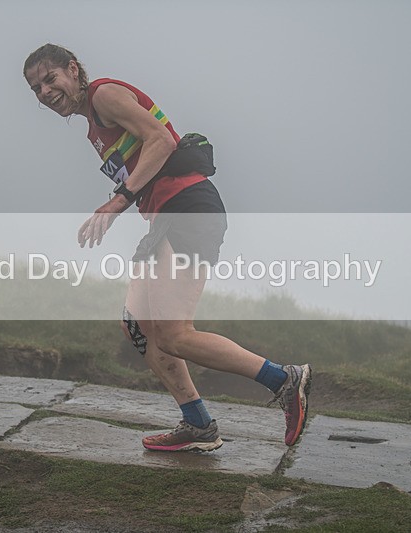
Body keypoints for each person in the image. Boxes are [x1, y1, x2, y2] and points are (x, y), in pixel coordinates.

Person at [23, 43, 311, 451]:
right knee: (138, 324)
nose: (45, 92)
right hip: (166, 217)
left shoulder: (103, 95)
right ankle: (198, 425)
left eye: (50, 79)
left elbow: (161, 140)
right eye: (36, 89)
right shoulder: (94, 123)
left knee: (175, 335)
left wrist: (117, 201)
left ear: (73, 70)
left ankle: (284, 380)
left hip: (188, 209)